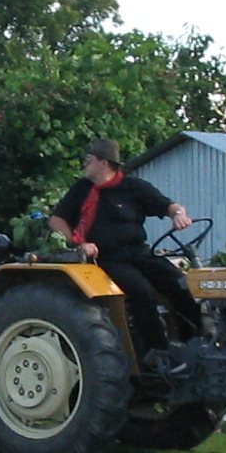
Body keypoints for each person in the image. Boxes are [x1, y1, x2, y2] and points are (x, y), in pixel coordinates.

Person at [48, 137, 203, 364]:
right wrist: (77, 242)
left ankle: (195, 342)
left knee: (180, 283)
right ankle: (158, 353)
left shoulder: (133, 187)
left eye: (88, 159)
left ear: (104, 162)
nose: (84, 164)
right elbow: (57, 220)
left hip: (139, 253)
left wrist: (178, 215)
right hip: (106, 258)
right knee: (141, 290)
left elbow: (169, 206)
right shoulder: (82, 189)